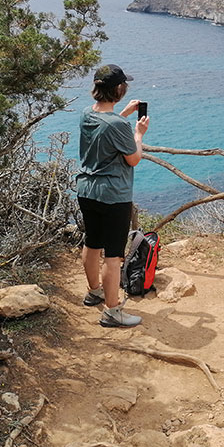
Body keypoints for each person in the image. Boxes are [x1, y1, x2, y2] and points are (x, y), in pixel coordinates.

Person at [76, 64, 149, 328]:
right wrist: (138, 135)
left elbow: (106, 124)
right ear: (119, 90)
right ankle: (112, 311)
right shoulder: (119, 125)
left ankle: (94, 290)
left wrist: (123, 114)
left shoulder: (86, 114)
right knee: (114, 255)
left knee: (92, 243)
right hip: (113, 195)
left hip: (86, 190)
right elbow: (133, 159)